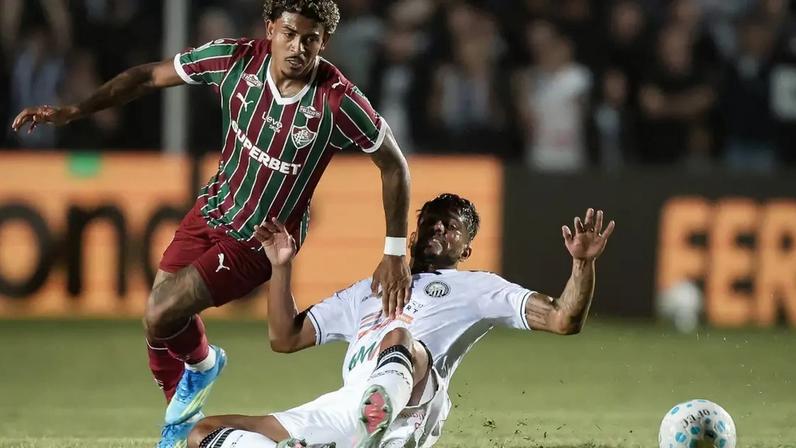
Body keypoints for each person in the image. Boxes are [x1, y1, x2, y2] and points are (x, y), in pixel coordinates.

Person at [11, 1, 413, 445]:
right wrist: (74, 112)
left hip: (257, 241)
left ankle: (193, 388)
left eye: (311, 39)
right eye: (289, 34)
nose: (298, 47)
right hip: (211, 210)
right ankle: (190, 393)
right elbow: (148, 76)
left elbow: (394, 164)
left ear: (324, 42)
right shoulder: (234, 60)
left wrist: (394, 251)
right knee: (157, 325)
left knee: (159, 312)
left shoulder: (336, 99)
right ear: (270, 28)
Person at [187, 194, 615, 448]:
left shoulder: (478, 287)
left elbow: (563, 319)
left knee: (399, 335)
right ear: (412, 237)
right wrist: (281, 268)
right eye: (431, 222)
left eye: (452, 228)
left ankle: (386, 434)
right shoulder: (366, 290)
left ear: (466, 250)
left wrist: (582, 265)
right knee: (203, 433)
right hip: (350, 403)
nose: (438, 229)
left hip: (412, 403)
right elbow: (285, 338)